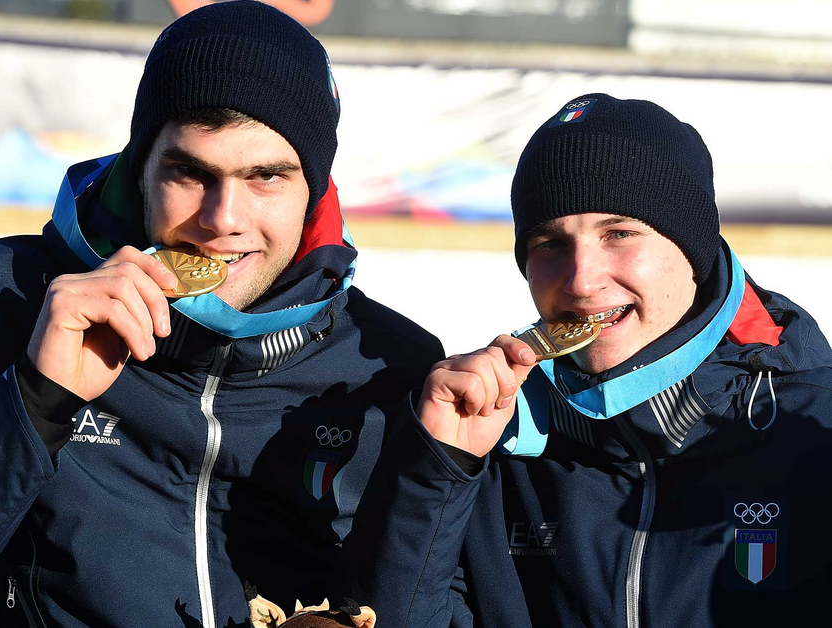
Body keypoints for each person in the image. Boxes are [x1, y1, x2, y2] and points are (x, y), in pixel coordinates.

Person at [0, 2, 443, 626]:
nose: (222, 220)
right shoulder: (3, 301)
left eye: (266, 177)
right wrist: (31, 405)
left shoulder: (392, 369)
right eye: (190, 173)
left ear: (315, 190)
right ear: (140, 167)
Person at [342, 93, 832, 626]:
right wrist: (439, 471)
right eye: (550, 243)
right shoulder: (490, 435)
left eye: (619, 234)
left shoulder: (815, 431)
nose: (580, 280)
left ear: (691, 246)